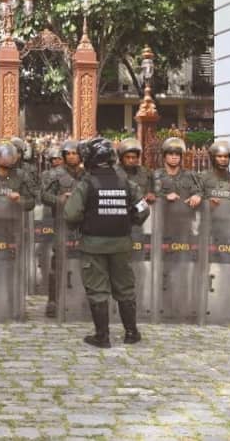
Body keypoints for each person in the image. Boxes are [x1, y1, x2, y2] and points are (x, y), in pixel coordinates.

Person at [64, 137, 149, 348]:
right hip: (121, 244)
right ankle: (131, 332)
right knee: (125, 287)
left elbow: (71, 214)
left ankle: (102, 336)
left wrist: (82, 222)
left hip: (93, 245)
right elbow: (143, 209)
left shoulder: (86, 184)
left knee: (97, 289)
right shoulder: (126, 183)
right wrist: (129, 221)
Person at [40, 139, 84, 318]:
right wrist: (59, 199)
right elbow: (43, 195)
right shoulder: (54, 174)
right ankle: (53, 300)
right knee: (58, 261)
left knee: (86, 260)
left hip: (84, 223)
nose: (72, 157)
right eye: (69, 154)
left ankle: (85, 299)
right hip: (62, 222)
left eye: (75, 153)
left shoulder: (87, 174)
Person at [153, 137, 202, 208]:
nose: (174, 157)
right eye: (170, 154)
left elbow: (201, 191)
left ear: (181, 157)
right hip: (164, 216)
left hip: (186, 215)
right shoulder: (156, 175)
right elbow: (149, 196)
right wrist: (165, 197)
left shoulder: (190, 175)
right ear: (164, 156)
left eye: (177, 154)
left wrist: (197, 196)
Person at [199, 140, 230, 206]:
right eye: (219, 156)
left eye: (226, 156)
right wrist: (206, 202)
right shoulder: (202, 177)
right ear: (213, 158)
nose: (223, 159)